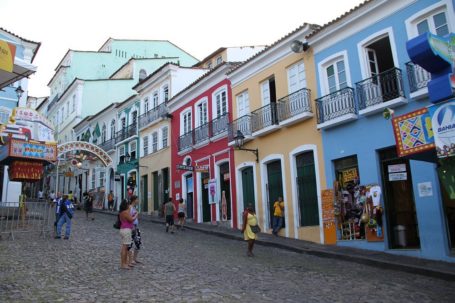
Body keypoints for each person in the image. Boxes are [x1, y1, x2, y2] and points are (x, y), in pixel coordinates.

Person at [119, 199, 138, 270]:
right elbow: (131, 220)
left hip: (123, 229)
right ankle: (123, 264)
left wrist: (133, 214)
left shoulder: (122, 212)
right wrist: (136, 215)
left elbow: (128, 218)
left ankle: (124, 263)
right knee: (125, 248)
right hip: (126, 230)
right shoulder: (125, 212)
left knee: (124, 247)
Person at [128, 196, 142, 265]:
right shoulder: (130, 208)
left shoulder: (134, 208)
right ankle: (130, 260)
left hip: (136, 228)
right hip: (131, 228)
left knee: (138, 243)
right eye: (137, 199)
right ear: (134, 200)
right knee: (130, 244)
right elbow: (129, 218)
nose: (138, 201)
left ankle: (135, 258)